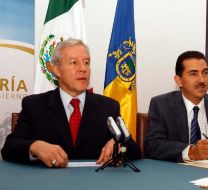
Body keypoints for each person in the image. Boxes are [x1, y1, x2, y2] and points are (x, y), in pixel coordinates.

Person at [1, 38, 141, 167]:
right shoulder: (35, 105)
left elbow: (135, 150)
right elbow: (9, 148)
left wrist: (118, 144)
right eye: (74, 62)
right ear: (57, 70)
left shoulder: (108, 106)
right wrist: (34, 147)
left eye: (86, 62)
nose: (83, 68)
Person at [144, 51, 208, 163]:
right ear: (179, 81)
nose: (202, 80)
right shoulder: (161, 105)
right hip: (176, 174)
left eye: (205, 73)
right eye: (193, 74)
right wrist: (191, 152)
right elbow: (152, 146)